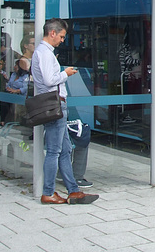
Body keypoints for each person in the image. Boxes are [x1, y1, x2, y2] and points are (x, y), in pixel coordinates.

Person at [30, 18, 98, 205]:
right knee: (54, 150)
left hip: (56, 104)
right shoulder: (44, 53)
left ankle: (73, 190)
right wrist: (65, 73)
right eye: (61, 36)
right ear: (52, 33)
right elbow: (49, 79)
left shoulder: (45, 53)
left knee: (65, 149)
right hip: (54, 105)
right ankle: (48, 192)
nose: (62, 40)